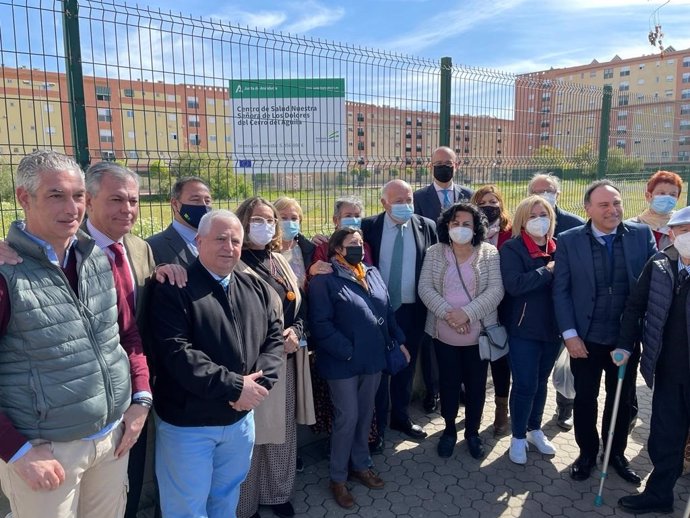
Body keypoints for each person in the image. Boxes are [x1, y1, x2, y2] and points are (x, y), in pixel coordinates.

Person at [0, 150, 133, 517]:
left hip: (109, 441)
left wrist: (140, 401)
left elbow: (125, 336)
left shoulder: (96, 258)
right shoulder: (6, 273)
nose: (72, 207)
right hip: (45, 451)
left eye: (78, 196)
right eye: (56, 195)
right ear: (24, 198)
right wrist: (16, 450)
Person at [150, 209, 284, 518]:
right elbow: (176, 354)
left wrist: (256, 387)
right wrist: (236, 388)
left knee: (225, 501)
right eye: (220, 238)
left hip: (239, 424)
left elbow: (274, 341)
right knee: (186, 508)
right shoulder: (175, 288)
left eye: (236, 240)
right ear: (198, 241)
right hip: (189, 426)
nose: (229, 247)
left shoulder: (255, 288)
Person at [553, 179, 656, 484]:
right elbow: (561, 291)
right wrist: (569, 335)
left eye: (617, 203)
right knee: (586, 398)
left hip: (625, 339)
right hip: (585, 339)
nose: (613, 210)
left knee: (622, 399)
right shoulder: (570, 240)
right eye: (604, 205)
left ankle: (615, 454)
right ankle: (586, 454)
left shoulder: (640, 235)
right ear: (588, 209)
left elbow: (651, 283)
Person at [308, 227, 408, 509]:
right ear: (337, 248)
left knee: (366, 414)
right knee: (347, 417)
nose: (359, 248)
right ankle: (337, 478)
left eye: (361, 243)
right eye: (352, 244)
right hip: (343, 362)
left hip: (373, 359)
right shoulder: (324, 279)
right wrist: (347, 350)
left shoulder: (372, 273)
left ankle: (360, 465)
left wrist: (397, 340)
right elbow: (320, 323)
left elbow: (386, 311)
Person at [235, 197, 312, 518]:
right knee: (249, 438)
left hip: (285, 362)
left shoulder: (277, 260)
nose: (265, 226)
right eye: (257, 220)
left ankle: (277, 494)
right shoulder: (234, 261)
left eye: (270, 221)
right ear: (242, 222)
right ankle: (246, 504)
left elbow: (300, 306)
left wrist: (297, 329)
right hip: (249, 366)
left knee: (280, 434)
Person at [615, 205, 690, 515]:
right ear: (670, 234)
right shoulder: (659, 264)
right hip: (670, 369)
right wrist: (624, 345)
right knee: (665, 435)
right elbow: (635, 306)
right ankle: (660, 495)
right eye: (683, 231)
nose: (687, 237)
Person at [418, 203, 504, 459]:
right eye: (455, 223)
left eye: (466, 224)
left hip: (478, 335)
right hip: (444, 334)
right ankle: (448, 431)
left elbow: (496, 291)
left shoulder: (489, 253)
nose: (460, 228)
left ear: (476, 227)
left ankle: (473, 433)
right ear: (447, 226)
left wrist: (467, 313)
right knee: (449, 383)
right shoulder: (435, 252)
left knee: (476, 386)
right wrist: (448, 313)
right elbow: (425, 288)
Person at [361, 179, 438, 444]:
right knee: (380, 370)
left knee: (406, 364)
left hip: (412, 310)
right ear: (384, 203)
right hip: (378, 311)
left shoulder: (426, 226)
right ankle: (377, 426)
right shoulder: (368, 227)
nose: (406, 205)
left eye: (409, 200)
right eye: (399, 201)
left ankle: (401, 417)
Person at [499, 196, 560, 464]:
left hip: (554, 330)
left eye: (543, 214)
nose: (539, 220)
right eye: (533, 215)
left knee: (542, 382)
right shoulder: (513, 249)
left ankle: (535, 429)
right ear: (523, 220)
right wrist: (547, 271)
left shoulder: (559, 248)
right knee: (524, 384)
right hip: (523, 330)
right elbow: (514, 284)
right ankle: (518, 437)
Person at [412, 146, 473, 415]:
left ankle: (460, 386)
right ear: (430, 166)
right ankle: (432, 390)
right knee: (432, 334)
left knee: (463, 332)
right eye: (438, 163)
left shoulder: (468, 195)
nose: (443, 167)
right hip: (433, 270)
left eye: (447, 163)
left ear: (456, 165)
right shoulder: (417, 198)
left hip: (464, 271)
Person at [527, 172, 585, 431]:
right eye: (538, 191)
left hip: (570, 306)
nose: (544, 196)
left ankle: (565, 408)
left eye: (548, 190)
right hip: (537, 308)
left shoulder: (574, 224)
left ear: (558, 194)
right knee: (538, 370)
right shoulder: (526, 222)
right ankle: (528, 419)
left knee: (568, 365)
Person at [470, 184, 512, 436]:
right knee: (475, 360)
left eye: (494, 201)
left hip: (504, 305)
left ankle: (501, 408)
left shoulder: (511, 232)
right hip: (474, 306)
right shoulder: (469, 231)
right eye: (483, 201)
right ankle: (474, 408)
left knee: (499, 359)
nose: (489, 206)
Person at [146, 176, 213, 267]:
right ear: (175, 204)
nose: (203, 205)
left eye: (207, 201)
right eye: (195, 200)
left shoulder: (220, 240)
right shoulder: (152, 247)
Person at [309, 195, 373, 276]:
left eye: (357, 216)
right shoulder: (324, 246)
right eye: (348, 216)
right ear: (336, 220)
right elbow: (317, 276)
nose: (353, 219)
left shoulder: (365, 246)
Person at [627, 170, 683, 250]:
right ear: (648, 196)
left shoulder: (682, 226)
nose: (667, 197)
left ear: (677, 198)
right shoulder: (631, 226)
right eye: (662, 193)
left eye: (672, 194)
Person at [274, 196, 315, 289]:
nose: (289, 222)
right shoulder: (267, 251)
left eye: (294, 218)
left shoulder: (307, 249)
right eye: (283, 218)